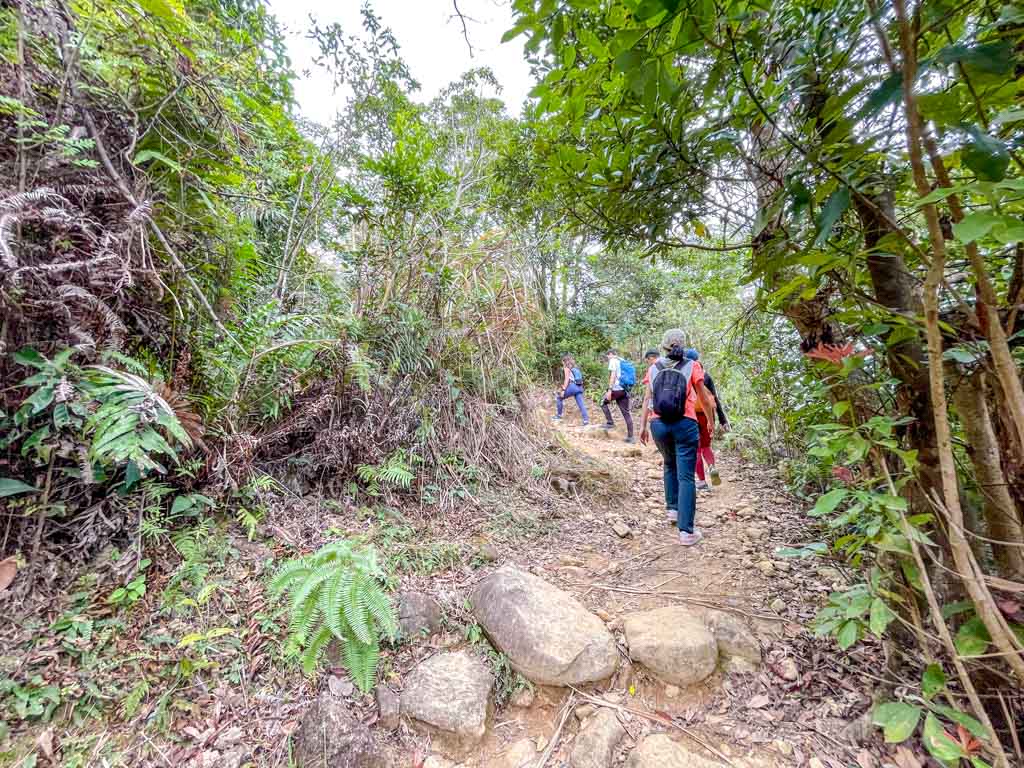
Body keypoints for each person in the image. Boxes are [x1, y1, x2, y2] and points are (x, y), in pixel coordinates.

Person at [639, 329, 719, 546]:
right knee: (686, 476)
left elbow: (648, 398)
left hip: (658, 424)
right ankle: (686, 532)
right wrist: (711, 421)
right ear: (683, 344)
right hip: (685, 423)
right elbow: (704, 396)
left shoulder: (654, 367)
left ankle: (672, 510)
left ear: (663, 345)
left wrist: (643, 426)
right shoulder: (692, 366)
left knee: (668, 464)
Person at [685, 349, 729, 490]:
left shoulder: (683, 374)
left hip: (690, 416)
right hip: (707, 415)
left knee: (696, 450)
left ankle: (702, 481)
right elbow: (714, 398)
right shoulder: (705, 376)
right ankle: (712, 468)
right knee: (706, 446)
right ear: (698, 359)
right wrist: (722, 420)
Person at [600, 349, 635, 443]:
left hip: (616, 389)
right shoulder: (622, 360)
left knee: (602, 402)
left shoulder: (613, 361)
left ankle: (610, 422)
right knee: (626, 413)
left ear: (611, 354)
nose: (608, 357)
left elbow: (613, 375)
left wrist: (609, 390)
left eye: (608, 355)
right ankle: (631, 437)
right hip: (624, 389)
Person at [552, 354, 589, 425]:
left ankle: (559, 415)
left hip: (573, 386)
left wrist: (563, 390)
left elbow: (566, 380)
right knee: (581, 404)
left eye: (562, 361)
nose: (562, 363)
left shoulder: (566, 368)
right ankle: (586, 420)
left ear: (564, 361)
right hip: (580, 387)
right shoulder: (575, 367)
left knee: (559, 398)